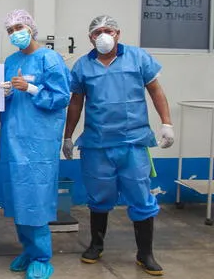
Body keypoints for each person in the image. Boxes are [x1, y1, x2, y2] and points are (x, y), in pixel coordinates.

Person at [62, 15, 174, 276]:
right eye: (97, 32)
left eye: (108, 30)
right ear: (90, 37)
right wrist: (67, 136)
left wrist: (166, 123)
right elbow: (76, 102)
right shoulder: (82, 66)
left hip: (133, 142)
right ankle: (96, 244)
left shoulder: (137, 58)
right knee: (98, 197)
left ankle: (145, 253)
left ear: (118, 34)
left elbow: (156, 91)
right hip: (97, 144)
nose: (103, 35)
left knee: (141, 197)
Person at [0, 9, 71, 279]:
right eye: (10, 30)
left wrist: (30, 89)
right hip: (12, 136)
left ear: (31, 28)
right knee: (19, 196)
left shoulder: (49, 59)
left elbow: (61, 97)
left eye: (19, 26)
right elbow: (5, 97)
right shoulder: (10, 60)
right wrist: (4, 93)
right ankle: (28, 250)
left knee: (36, 196)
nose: (14, 33)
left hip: (39, 140)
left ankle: (42, 256)